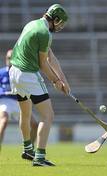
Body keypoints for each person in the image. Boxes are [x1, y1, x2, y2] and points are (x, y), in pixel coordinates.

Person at [9, 4, 70, 166]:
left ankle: (28, 149)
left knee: (26, 113)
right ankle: (40, 157)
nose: (61, 26)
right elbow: (43, 64)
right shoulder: (44, 33)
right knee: (48, 115)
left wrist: (63, 79)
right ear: (55, 19)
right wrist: (56, 81)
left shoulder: (33, 24)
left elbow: (50, 56)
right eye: (60, 22)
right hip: (28, 75)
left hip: (14, 73)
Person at [0, 49, 38, 151]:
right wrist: (4, 92)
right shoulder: (1, 73)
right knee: (3, 121)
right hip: (5, 101)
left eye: (12, 58)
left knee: (35, 125)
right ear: (5, 59)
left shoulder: (21, 73)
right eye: (8, 58)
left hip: (19, 102)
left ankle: (29, 149)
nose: (10, 61)